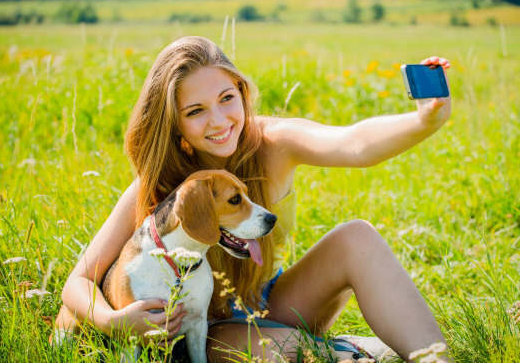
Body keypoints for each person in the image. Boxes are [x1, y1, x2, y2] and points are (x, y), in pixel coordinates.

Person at [60, 36, 452, 362]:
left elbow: (354, 144)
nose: (219, 120)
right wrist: (114, 322)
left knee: (357, 237)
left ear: (243, 92)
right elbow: (78, 282)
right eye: (196, 111)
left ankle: (435, 358)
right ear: (174, 123)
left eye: (227, 98)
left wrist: (424, 120)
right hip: (206, 331)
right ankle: (350, 352)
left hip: (270, 301)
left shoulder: (273, 143)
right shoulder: (166, 186)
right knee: (291, 352)